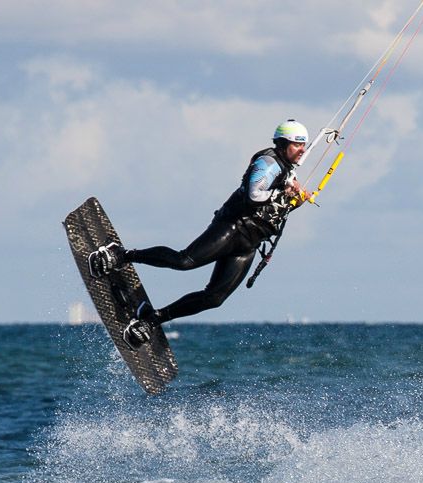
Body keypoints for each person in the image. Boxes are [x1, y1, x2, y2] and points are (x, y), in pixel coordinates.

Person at [87, 119, 310, 348]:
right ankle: (121, 255)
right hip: (232, 228)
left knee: (214, 298)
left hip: (248, 245)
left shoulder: (287, 172)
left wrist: (294, 201)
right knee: (184, 261)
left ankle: (153, 319)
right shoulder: (268, 162)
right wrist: (282, 191)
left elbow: (274, 210)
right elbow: (254, 195)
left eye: (304, 145)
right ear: (283, 144)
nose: (302, 150)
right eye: (297, 144)